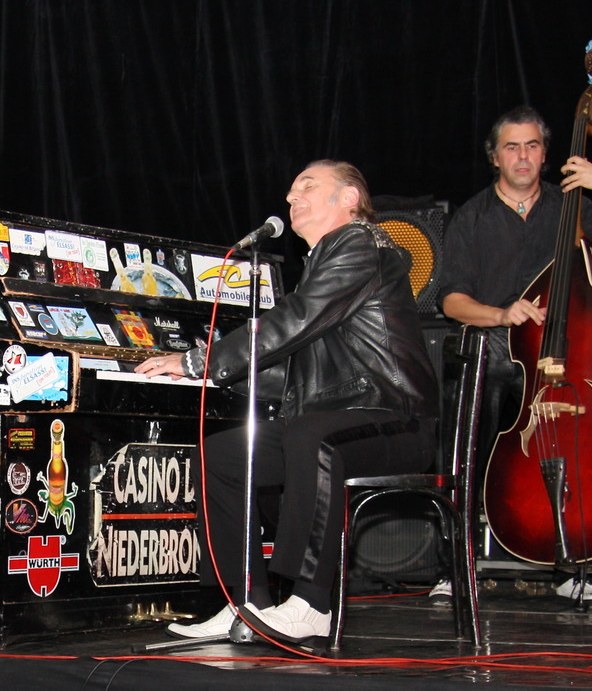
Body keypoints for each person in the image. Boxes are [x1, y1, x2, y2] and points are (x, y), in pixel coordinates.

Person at [134, 160, 439, 647]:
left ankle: (312, 604)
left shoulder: (360, 244)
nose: (292, 198)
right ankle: (247, 603)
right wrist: (209, 373)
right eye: (291, 191)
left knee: (311, 436)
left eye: (307, 187)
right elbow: (295, 369)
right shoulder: (325, 262)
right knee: (224, 456)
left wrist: (203, 361)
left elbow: (294, 320)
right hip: (337, 421)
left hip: (395, 419)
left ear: (349, 198)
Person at [433, 105, 592, 603]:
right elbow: (451, 301)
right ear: (495, 157)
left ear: (545, 154)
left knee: (575, 445)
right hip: (498, 345)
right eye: (512, 147)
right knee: (467, 436)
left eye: (532, 145)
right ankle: (454, 565)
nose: (522, 156)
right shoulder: (472, 217)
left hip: (558, 353)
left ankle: (571, 564)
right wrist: (502, 314)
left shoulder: (569, 207)